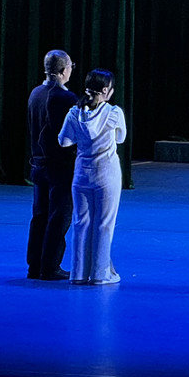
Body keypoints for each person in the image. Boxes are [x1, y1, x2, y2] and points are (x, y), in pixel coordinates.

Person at [59, 69, 127, 286]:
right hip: (107, 173)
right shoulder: (114, 113)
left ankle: (78, 273)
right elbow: (121, 138)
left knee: (81, 223)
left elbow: (64, 141)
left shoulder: (74, 112)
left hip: (82, 174)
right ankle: (100, 274)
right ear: (106, 90)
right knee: (104, 224)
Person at [27, 48, 78, 280]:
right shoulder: (65, 98)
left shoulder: (35, 93)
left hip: (38, 164)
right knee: (59, 217)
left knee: (40, 215)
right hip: (59, 167)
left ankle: (34, 265)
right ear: (64, 70)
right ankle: (50, 266)